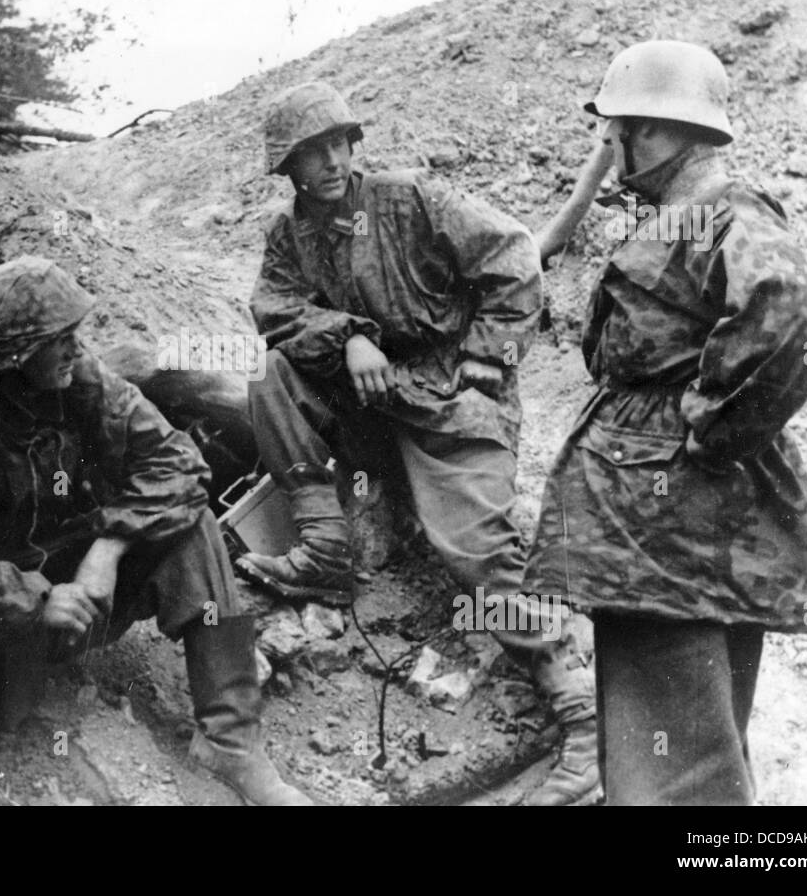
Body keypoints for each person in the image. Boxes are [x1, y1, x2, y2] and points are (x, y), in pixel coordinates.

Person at [238, 81, 598, 806]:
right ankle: (324, 541)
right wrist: (350, 339)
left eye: (339, 144)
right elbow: (274, 310)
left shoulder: (411, 199)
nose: (332, 162)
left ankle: (582, 714)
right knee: (271, 375)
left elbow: (515, 261)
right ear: (289, 169)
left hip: (449, 400)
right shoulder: (290, 236)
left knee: (474, 549)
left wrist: (483, 363)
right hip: (369, 403)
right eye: (312, 154)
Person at [0, 256, 312, 805]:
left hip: (75, 601)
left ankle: (232, 743)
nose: (77, 349)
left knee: (189, 523)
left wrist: (109, 546)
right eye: (60, 340)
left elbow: (180, 464)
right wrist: (32, 597)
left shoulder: (79, 378)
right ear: (13, 359)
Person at [525, 40, 807, 804]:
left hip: (664, 529)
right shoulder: (684, 213)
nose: (610, 147)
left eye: (620, 130)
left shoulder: (715, 210)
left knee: (669, 774)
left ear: (655, 131)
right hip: (666, 527)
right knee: (694, 752)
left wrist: (710, 426)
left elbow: (796, 311)